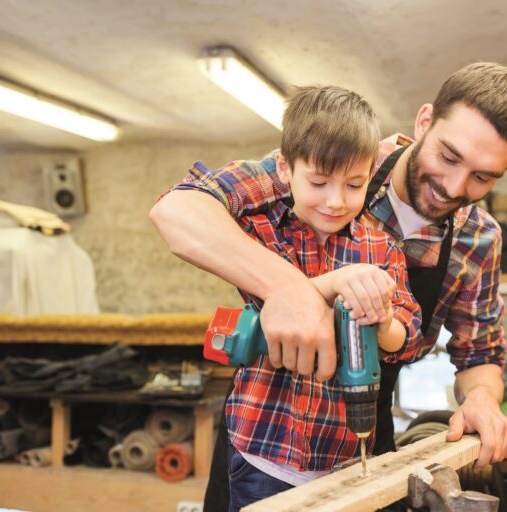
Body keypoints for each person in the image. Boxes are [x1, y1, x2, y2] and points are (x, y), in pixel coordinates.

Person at [150, 61, 507, 510]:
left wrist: (483, 400)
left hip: (360, 428)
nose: (454, 186)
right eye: (448, 157)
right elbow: (179, 211)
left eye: (483, 176)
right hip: (265, 426)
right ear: (425, 122)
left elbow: (480, 355)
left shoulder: (479, 238)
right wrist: (294, 290)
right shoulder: (340, 157)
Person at [167, 85, 426, 510]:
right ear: (285, 167)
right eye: (319, 182)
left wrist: (383, 321)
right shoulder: (261, 231)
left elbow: (410, 340)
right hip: (262, 451)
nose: (337, 200)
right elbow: (188, 207)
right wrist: (332, 284)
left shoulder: (382, 250)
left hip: (344, 456)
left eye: (355, 184)